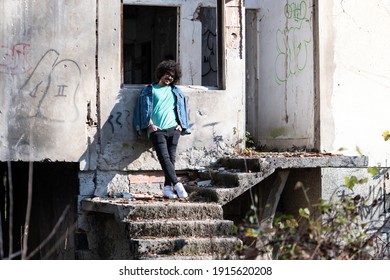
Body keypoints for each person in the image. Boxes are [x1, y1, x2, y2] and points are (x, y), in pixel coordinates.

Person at [133, 60, 191, 199]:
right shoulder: (149, 90)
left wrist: (180, 125)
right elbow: (143, 109)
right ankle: (177, 184)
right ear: (161, 73)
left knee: (170, 159)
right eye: (167, 74)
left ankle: (167, 188)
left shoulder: (175, 91)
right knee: (164, 158)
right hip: (156, 129)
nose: (169, 78)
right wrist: (150, 125)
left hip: (173, 129)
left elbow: (181, 108)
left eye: (172, 76)